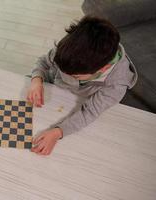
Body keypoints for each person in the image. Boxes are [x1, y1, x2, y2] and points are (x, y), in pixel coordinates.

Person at [27, 16, 137, 155]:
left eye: (75, 76)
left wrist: (58, 132)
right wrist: (37, 79)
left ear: (101, 70)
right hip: (51, 88)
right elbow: (44, 61)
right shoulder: (69, 50)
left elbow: (89, 112)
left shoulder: (117, 84)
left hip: (76, 104)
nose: (65, 74)